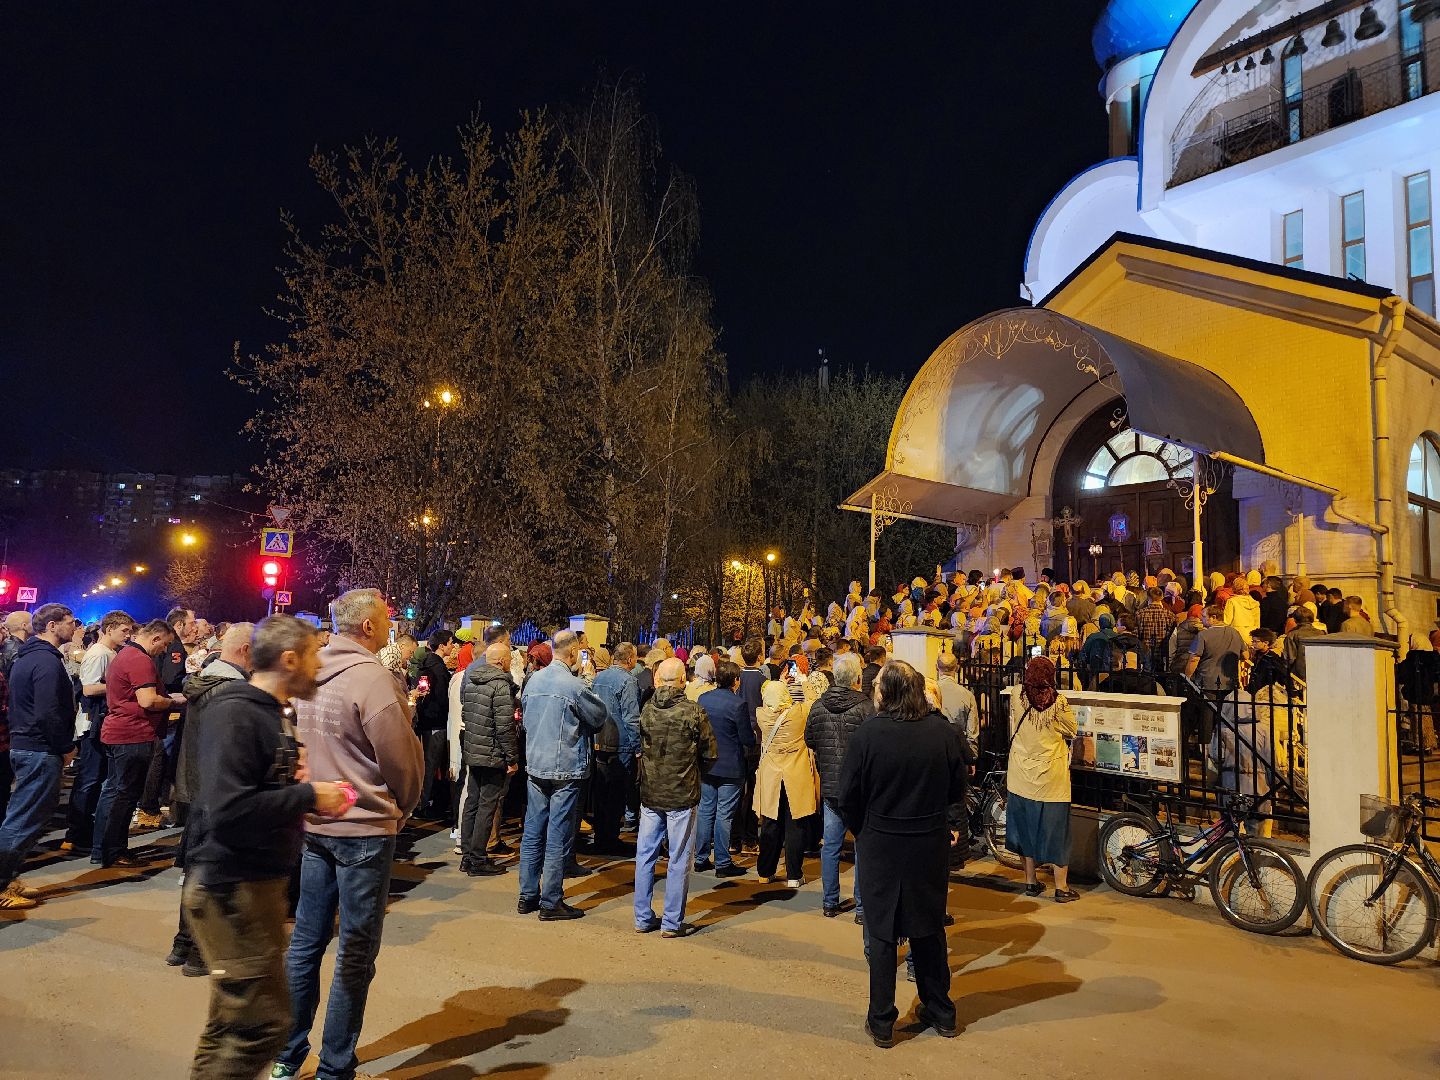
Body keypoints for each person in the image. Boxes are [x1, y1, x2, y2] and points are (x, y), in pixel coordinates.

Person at [182, 615, 350, 1080]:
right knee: (262, 1026)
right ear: (291, 659)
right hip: (232, 888)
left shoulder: (271, 713)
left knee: (233, 1022)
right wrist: (309, 795)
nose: (319, 666)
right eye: (315, 655)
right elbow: (228, 808)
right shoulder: (236, 711)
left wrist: (296, 794)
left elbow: (256, 795)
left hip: (252, 886)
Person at [274, 588, 424, 1080]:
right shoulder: (373, 680)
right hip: (363, 828)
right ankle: (334, 1066)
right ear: (367, 627)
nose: (390, 625)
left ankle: (286, 1054)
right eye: (386, 618)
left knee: (307, 944)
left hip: (318, 822)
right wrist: (404, 805)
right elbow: (399, 760)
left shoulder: (312, 675)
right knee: (355, 953)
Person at [839, 660, 966, 1048]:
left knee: (881, 932)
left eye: (877, 684)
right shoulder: (941, 733)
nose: (873, 689)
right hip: (926, 842)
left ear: (889, 692)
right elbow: (956, 788)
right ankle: (940, 1010)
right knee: (927, 927)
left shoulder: (869, 735)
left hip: (881, 842)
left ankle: (882, 1020)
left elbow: (848, 795)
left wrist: (863, 829)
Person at [167, 622, 253, 977]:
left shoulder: (205, 680)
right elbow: (232, 749)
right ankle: (200, 951)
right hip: (221, 792)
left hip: (201, 787)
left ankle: (183, 943)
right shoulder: (232, 690)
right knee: (216, 872)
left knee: (198, 869)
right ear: (246, 651)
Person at [517, 629, 607, 921]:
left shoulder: (533, 681)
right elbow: (598, 717)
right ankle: (551, 900)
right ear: (571, 654)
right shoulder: (573, 685)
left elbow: (526, 718)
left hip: (536, 763)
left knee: (533, 830)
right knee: (557, 833)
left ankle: (528, 894)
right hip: (565, 766)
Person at [0, 604, 79, 909]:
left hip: (28, 746)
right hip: (39, 749)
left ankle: (8, 877)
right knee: (23, 820)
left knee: (23, 816)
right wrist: (64, 746)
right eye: (70, 622)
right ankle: (3, 883)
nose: (74, 627)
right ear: (52, 625)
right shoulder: (45, 662)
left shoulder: (30, 657)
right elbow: (48, 712)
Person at [633, 657, 717, 937]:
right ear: (683, 680)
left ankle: (643, 916)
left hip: (651, 792)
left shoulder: (647, 709)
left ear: (658, 679)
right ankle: (671, 922)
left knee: (645, 855)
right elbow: (709, 753)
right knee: (678, 858)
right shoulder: (693, 712)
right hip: (682, 793)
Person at [92, 619, 185, 868]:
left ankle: (103, 849)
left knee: (115, 792)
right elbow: (147, 701)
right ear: (155, 638)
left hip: (119, 733)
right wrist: (174, 702)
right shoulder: (140, 659)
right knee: (125, 795)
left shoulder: (125, 654)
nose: (164, 651)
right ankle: (113, 851)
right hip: (132, 735)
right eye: (164, 645)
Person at [805, 652, 874, 917]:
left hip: (832, 785)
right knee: (861, 847)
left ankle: (829, 901)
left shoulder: (819, 706)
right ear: (857, 678)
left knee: (831, 846)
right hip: (858, 787)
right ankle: (861, 905)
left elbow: (810, 738)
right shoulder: (866, 708)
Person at [1006, 657, 1079, 902]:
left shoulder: (1017, 694)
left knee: (1024, 829)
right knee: (1056, 832)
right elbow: (1072, 730)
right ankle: (1061, 887)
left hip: (1020, 775)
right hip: (1051, 779)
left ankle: (1030, 881)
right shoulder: (1059, 703)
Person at [62, 609, 133, 854]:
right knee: (89, 779)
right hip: (91, 724)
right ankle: (75, 833)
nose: (128, 634)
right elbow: (89, 689)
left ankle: (85, 830)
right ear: (110, 628)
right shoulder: (99, 653)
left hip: (100, 724)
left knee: (96, 778)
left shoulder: (110, 652)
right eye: (124, 630)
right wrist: (123, 685)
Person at [452, 641, 520, 876]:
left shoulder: (470, 680)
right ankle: (478, 858)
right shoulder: (500, 685)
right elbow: (505, 726)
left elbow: (465, 713)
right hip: (492, 753)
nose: (511, 662)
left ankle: (468, 854)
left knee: (472, 801)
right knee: (486, 805)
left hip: (473, 749)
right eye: (510, 659)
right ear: (501, 661)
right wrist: (512, 757)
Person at [753, 676, 822, 887]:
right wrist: (803, 682)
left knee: (770, 823)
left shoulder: (761, 715)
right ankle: (794, 874)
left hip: (771, 774)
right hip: (795, 772)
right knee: (795, 824)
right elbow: (814, 698)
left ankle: (765, 871)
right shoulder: (800, 713)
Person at [692, 660, 752, 877]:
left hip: (708, 763)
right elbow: (746, 738)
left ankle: (700, 858)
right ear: (736, 681)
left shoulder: (704, 699)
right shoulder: (738, 704)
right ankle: (723, 862)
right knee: (724, 814)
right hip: (730, 766)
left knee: (706, 810)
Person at [590, 641, 641, 854]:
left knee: (601, 792)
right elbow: (631, 718)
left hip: (599, 740)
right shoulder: (628, 681)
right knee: (617, 793)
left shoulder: (599, 678)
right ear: (629, 659)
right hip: (621, 745)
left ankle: (602, 835)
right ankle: (610, 838)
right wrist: (638, 746)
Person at [413, 628, 457, 818]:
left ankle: (420, 802)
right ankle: (422, 805)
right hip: (436, 723)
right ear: (442, 646)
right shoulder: (438, 669)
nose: (453, 646)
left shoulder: (423, 665)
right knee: (430, 765)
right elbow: (441, 699)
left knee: (424, 764)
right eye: (450, 642)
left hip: (423, 721)